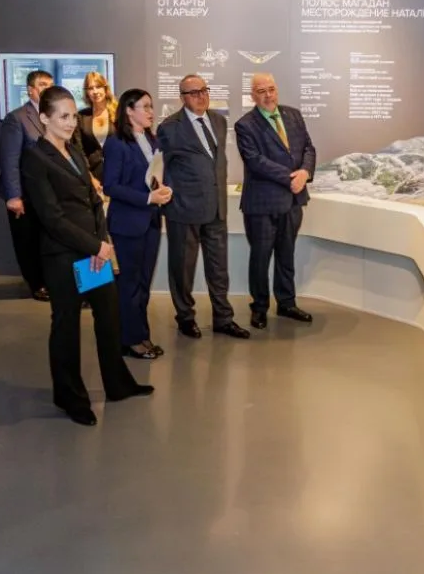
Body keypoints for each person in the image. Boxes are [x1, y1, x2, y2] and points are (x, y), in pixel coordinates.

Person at [21, 86, 154, 426]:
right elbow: (52, 218)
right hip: (62, 256)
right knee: (66, 325)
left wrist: (100, 243)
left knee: (108, 317)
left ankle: (118, 384)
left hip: (93, 253)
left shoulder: (74, 151)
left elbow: (95, 202)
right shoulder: (35, 158)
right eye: (62, 117)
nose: (70, 123)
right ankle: (70, 396)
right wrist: (95, 247)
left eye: (72, 116)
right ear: (44, 118)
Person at [157, 75, 249, 340]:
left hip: (216, 209)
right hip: (183, 210)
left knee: (219, 268)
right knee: (182, 269)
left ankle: (223, 318)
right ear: (182, 97)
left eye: (204, 90)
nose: (201, 96)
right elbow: (159, 167)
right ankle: (185, 318)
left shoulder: (219, 121)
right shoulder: (169, 127)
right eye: (193, 92)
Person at [234, 73, 316, 329]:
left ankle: (286, 303)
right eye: (261, 91)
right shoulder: (245, 125)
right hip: (262, 204)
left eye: (271, 89)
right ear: (253, 96)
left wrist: (305, 172)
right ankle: (259, 307)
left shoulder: (294, 115)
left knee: (286, 254)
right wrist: (291, 178)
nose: (268, 95)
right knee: (260, 258)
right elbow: (255, 161)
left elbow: (308, 149)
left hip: (293, 200)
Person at [102, 89, 171, 359]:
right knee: (128, 286)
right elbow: (110, 186)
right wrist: (147, 198)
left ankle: (140, 334)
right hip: (127, 224)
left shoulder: (152, 140)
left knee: (143, 284)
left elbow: (157, 175)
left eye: (151, 106)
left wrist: (164, 189)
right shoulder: (116, 143)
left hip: (151, 221)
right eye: (145, 107)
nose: (151, 112)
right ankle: (130, 340)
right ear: (129, 111)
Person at [0, 69, 53, 302]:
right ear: (31, 90)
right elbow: (9, 160)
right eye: (43, 85)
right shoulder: (17, 118)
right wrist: (14, 196)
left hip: (48, 193)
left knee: (47, 240)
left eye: (50, 84)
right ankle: (37, 284)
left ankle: (50, 280)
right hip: (25, 193)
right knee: (28, 241)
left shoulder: (54, 116)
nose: (48, 89)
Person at [76, 71, 116, 181]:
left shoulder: (118, 113)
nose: (95, 91)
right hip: (93, 175)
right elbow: (79, 151)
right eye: (90, 88)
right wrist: (90, 178)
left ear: (105, 89)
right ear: (86, 92)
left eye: (98, 87)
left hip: (119, 173)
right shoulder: (81, 116)